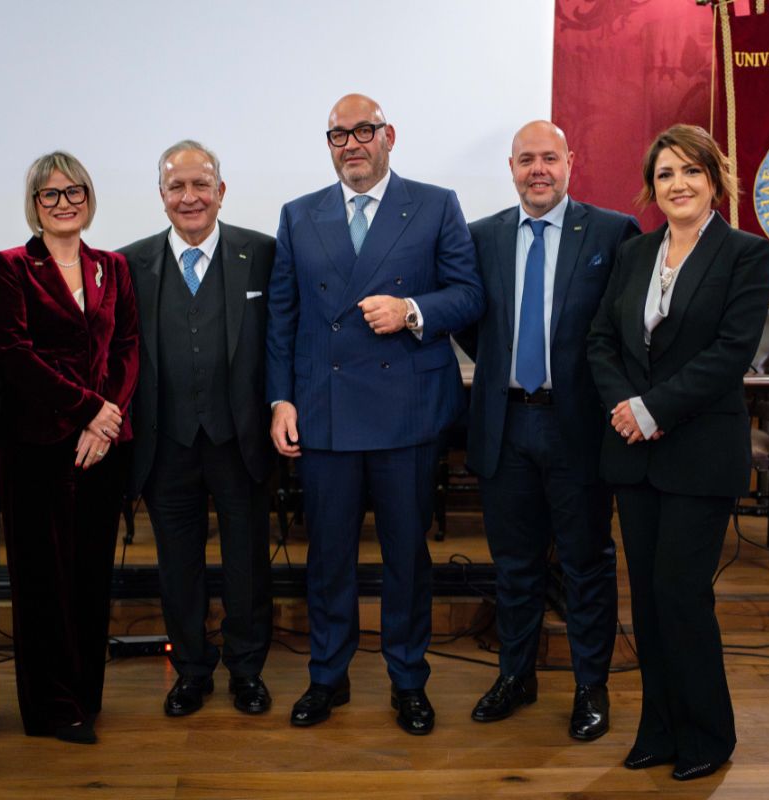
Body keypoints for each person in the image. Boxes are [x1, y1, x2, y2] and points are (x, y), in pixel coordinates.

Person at [266, 93, 484, 735]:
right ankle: (326, 678)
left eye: (364, 131)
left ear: (390, 136)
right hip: (325, 414)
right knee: (328, 557)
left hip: (408, 415)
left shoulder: (436, 203)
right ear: (328, 144)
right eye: (339, 135)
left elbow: (468, 295)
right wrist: (281, 399)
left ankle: (408, 681)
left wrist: (411, 310)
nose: (352, 144)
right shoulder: (298, 215)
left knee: (405, 559)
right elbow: (283, 317)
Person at [587, 124, 769, 780]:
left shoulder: (745, 254)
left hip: (699, 453)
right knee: (648, 597)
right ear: (652, 187)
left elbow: (730, 354)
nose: (678, 184)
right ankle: (659, 728)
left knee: (681, 593)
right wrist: (625, 408)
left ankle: (708, 736)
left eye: (691, 171)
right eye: (665, 174)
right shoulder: (635, 254)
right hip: (634, 456)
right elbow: (602, 341)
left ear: (716, 179)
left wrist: (652, 409)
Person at [455, 121, 639, 738]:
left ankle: (591, 686)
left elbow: (621, 328)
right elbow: (469, 321)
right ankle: (516, 674)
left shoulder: (612, 233)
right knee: (514, 564)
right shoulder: (481, 237)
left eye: (549, 158)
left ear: (570, 163)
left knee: (586, 563)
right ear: (511, 167)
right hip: (505, 424)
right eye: (526, 159)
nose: (538, 169)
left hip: (578, 428)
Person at [118, 140, 275, 718]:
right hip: (166, 443)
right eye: (177, 187)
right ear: (161, 197)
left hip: (241, 439)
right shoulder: (128, 264)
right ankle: (189, 670)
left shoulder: (261, 254)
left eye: (200, 185)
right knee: (176, 565)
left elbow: (281, 340)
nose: (190, 197)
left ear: (221, 191)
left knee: (247, 563)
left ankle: (247, 670)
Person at [0, 151, 140, 745]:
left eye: (73, 192)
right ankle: (51, 709)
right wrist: (86, 410)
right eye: (50, 195)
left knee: (89, 577)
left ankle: (85, 697)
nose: (63, 203)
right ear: (34, 205)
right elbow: (14, 356)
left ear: (88, 197)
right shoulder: (11, 267)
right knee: (42, 583)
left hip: (101, 448)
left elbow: (127, 346)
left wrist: (105, 422)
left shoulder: (113, 267)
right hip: (37, 449)